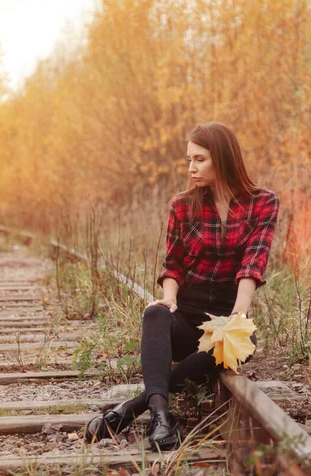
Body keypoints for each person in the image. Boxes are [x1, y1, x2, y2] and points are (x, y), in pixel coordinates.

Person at [85, 122, 280, 450]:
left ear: (222, 158)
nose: (191, 168)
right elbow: (173, 265)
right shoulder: (182, 204)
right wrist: (169, 299)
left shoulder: (263, 202)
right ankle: (161, 416)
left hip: (224, 317)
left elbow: (252, 265)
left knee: (242, 339)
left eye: (200, 159)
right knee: (155, 314)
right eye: (189, 159)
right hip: (187, 314)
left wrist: (238, 315)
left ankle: (131, 408)